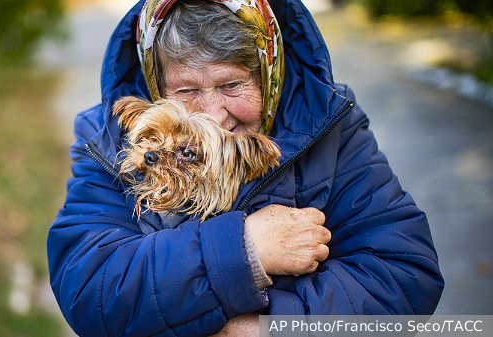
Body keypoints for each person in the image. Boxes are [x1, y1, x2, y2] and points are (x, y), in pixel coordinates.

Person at [47, 0, 444, 335]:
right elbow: (90, 291)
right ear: (157, 84)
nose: (213, 116)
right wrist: (247, 249)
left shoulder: (331, 125)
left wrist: (266, 327)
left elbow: (404, 280)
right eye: (186, 91)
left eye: (231, 86)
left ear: (268, 75)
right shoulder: (109, 139)